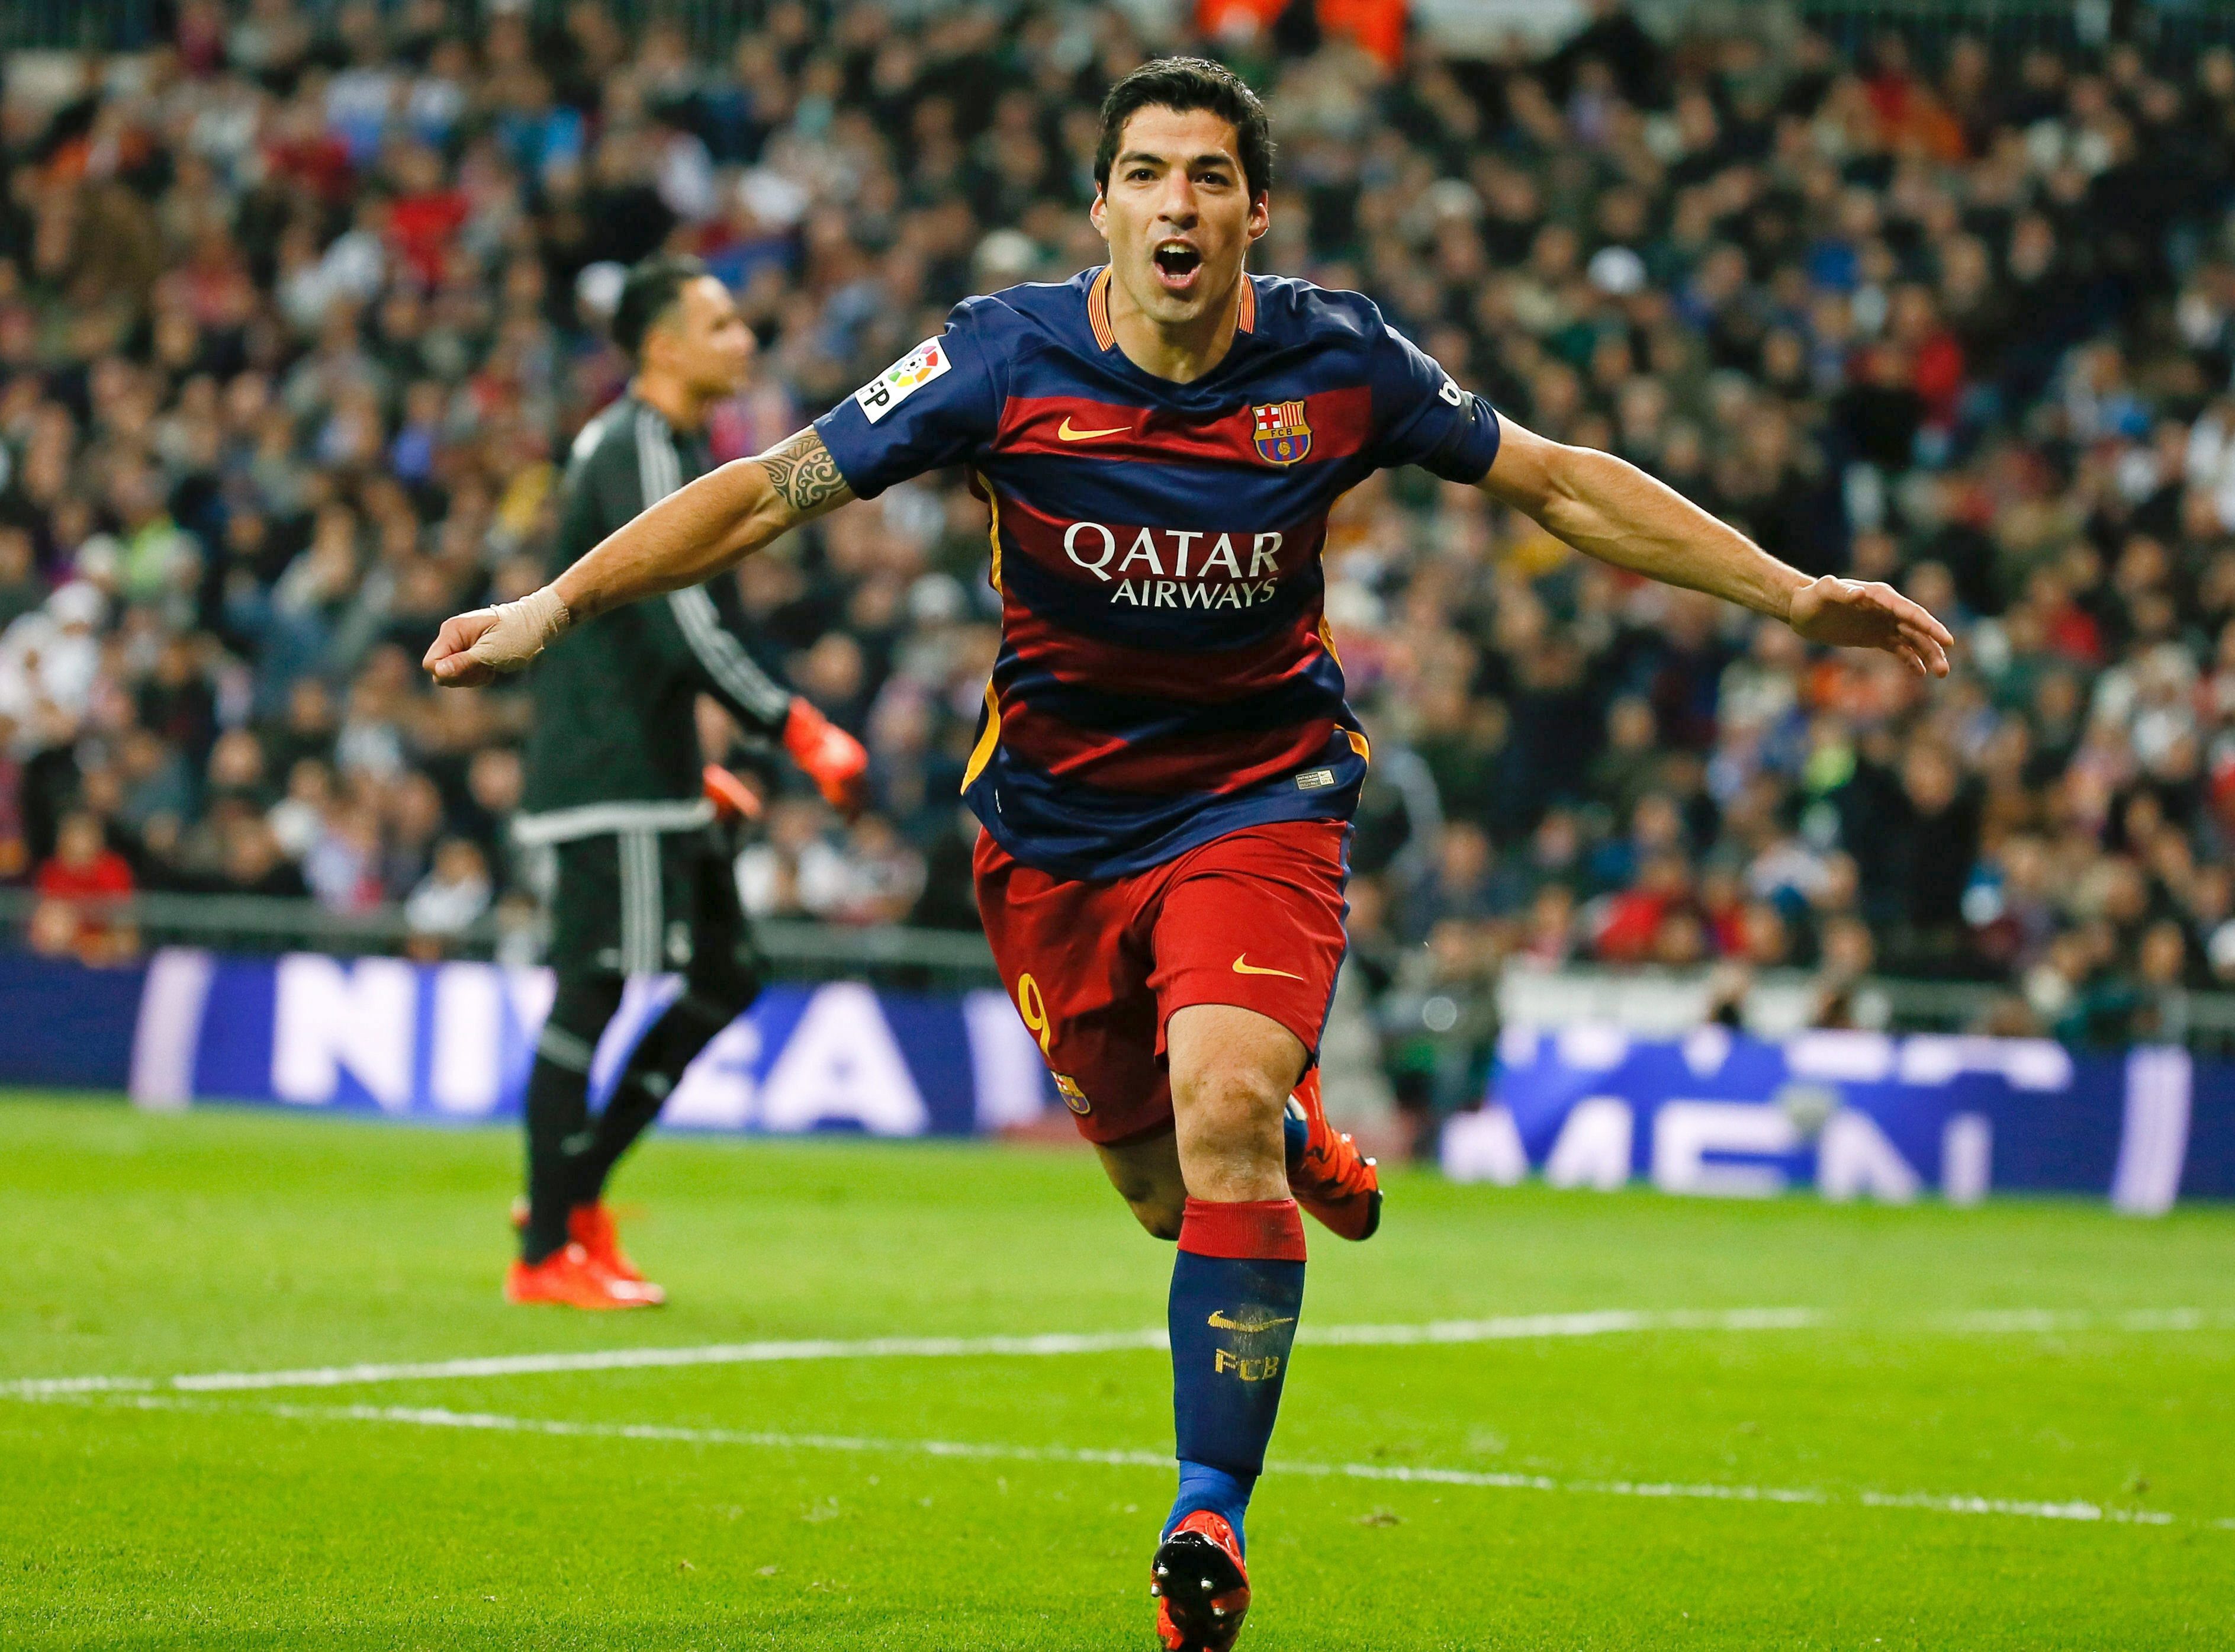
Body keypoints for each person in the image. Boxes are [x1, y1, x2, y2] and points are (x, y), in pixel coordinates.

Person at [425, 60, 1950, 1650]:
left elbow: (1557, 482)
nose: (1178, 203)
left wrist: (1792, 594)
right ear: (1101, 206)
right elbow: (764, 493)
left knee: (1217, 1115)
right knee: (1168, 1195)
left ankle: (1205, 1514)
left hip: (1256, 796)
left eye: (1210, 176)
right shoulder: (996, 356)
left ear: (1254, 213)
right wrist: (554, 604)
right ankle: (1284, 1121)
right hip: (1053, 835)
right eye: (1147, 173)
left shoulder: (1339, 358)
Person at [500, 254, 867, 1312]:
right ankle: (549, 1244)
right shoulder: (639, 445)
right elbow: (679, 619)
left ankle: (570, 1194)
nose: (743, 339)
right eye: (719, 325)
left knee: (726, 971)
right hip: (609, 769)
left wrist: (708, 759)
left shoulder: (661, 447)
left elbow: (657, 629)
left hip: (652, 760)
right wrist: (794, 725)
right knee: (596, 984)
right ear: (661, 347)